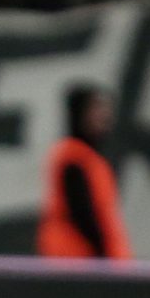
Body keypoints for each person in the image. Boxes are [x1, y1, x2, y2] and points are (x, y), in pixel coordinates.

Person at [38, 86, 133, 260]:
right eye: (96, 109)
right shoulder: (73, 157)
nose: (104, 116)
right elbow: (83, 214)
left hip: (88, 261)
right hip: (78, 260)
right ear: (79, 113)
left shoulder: (89, 158)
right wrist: (104, 256)